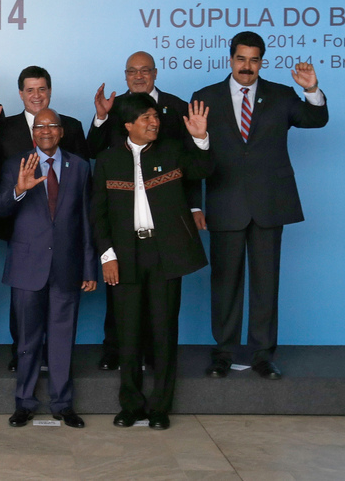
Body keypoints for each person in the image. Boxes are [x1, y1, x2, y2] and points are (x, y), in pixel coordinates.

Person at [191, 31, 329, 380]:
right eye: (241, 59)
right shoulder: (204, 98)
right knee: (225, 284)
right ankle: (224, 353)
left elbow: (316, 119)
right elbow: (192, 156)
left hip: (270, 203)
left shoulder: (281, 95)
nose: (247, 66)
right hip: (225, 202)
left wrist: (312, 89)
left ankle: (262, 354)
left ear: (261, 62)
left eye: (254, 60)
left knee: (266, 284)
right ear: (230, 59)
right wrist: (194, 205)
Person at [92, 93, 213, 430]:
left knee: (164, 331)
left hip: (166, 253)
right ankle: (130, 405)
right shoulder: (107, 160)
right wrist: (107, 255)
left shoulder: (172, 150)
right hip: (125, 255)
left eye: (156, 116)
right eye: (146, 117)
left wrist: (200, 138)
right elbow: (98, 214)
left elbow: (203, 169)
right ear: (128, 124)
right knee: (128, 333)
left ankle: (160, 407)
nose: (154, 122)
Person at [87, 52, 201, 372]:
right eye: (132, 71)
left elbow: (190, 163)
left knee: (160, 305)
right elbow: (94, 152)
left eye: (145, 70)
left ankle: (154, 356)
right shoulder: (115, 107)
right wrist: (100, 117)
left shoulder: (177, 107)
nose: (138, 76)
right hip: (125, 218)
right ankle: (117, 351)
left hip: (166, 219)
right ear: (125, 75)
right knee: (122, 300)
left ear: (155, 73)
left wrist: (193, 205)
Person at [0, 108, 97, 429]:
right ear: (33, 132)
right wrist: (19, 190)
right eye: (40, 126)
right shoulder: (16, 164)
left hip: (67, 266)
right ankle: (24, 402)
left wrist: (89, 268)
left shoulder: (79, 167)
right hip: (27, 267)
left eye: (52, 125)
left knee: (63, 340)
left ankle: (63, 404)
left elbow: (86, 220)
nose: (46, 130)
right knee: (27, 341)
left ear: (61, 131)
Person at [0, 65, 89, 371]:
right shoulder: (4, 127)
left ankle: (56, 363)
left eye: (42, 89)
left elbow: (82, 182)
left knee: (59, 305)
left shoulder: (71, 126)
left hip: (62, 232)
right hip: (20, 229)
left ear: (50, 91)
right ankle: (23, 357)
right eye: (30, 90)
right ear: (20, 94)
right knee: (25, 303)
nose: (36, 95)